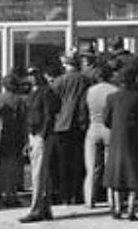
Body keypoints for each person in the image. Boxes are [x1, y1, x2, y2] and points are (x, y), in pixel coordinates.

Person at [103, 64, 138, 221]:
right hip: (133, 138)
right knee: (133, 174)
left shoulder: (111, 98)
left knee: (116, 174)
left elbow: (106, 120)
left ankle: (116, 208)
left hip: (116, 138)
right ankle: (131, 209)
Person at [19, 65, 60, 223]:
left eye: (35, 73)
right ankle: (45, 208)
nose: (32, 77)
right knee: (42, 173)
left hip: (42, 135)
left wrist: (42, 134)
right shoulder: (32, 92)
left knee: (38, 173)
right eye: (30, 74)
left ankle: (35, 209)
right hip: (33, 134)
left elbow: (49, 115)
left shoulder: (45, 92)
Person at [51, 52, 90, 205]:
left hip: (61, 124)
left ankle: (64, 194)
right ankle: (77, 194)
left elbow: (53, 101)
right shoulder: (85, 80)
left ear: (66, 65)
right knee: (78, 162)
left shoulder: (59, 81)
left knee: (62, 162)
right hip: (80, 124)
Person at [0, 71, 29, 208]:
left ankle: (2, 192)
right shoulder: (20, 100)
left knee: (1, 164)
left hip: (1, 134)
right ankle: (12, 194)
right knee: (15, 166)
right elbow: (24, 121)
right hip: (16, 135)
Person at [82, 62, 118, 209]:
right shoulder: (114, 90)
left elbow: (83, 110)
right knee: (111, 167)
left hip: (93, 127)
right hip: (110, 128)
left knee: (92, 168)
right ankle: (112, 200)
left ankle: (90, 200)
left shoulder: (90, 91)